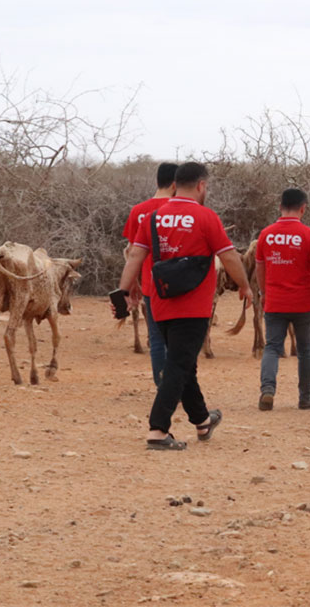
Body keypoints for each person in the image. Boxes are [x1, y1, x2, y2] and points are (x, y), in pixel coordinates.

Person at [116, 162, 252, 450]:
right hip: (194, 305)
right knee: (178, 365)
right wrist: (245, 285)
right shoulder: (206, 217)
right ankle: (157, 429)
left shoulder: (152, 218)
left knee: (184, 364)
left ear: (175, 184)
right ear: (201, 186)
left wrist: (123, 291)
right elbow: (229, 258)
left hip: (161, 302)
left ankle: (203, 421)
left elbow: (135, 256)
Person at [255, 188, 310, 412]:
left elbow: (260, 268)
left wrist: (264, 293)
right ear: (303, 208)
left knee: (272, 347)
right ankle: (306, 397)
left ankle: (267, 390)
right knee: (305, 350)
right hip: (303, 302)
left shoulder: (266, 234)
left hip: (275, 301)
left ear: (280, 207)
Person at [123, 162, 177, 385]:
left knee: (156, 338)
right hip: (180, 284)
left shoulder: (138, 211)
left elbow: (133, 253)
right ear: (176, 184)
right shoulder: (182, 210)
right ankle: (177, 385)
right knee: (178, 340)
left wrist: (132, 283)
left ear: (157, 181)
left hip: (150, 284)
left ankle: (161, 385)